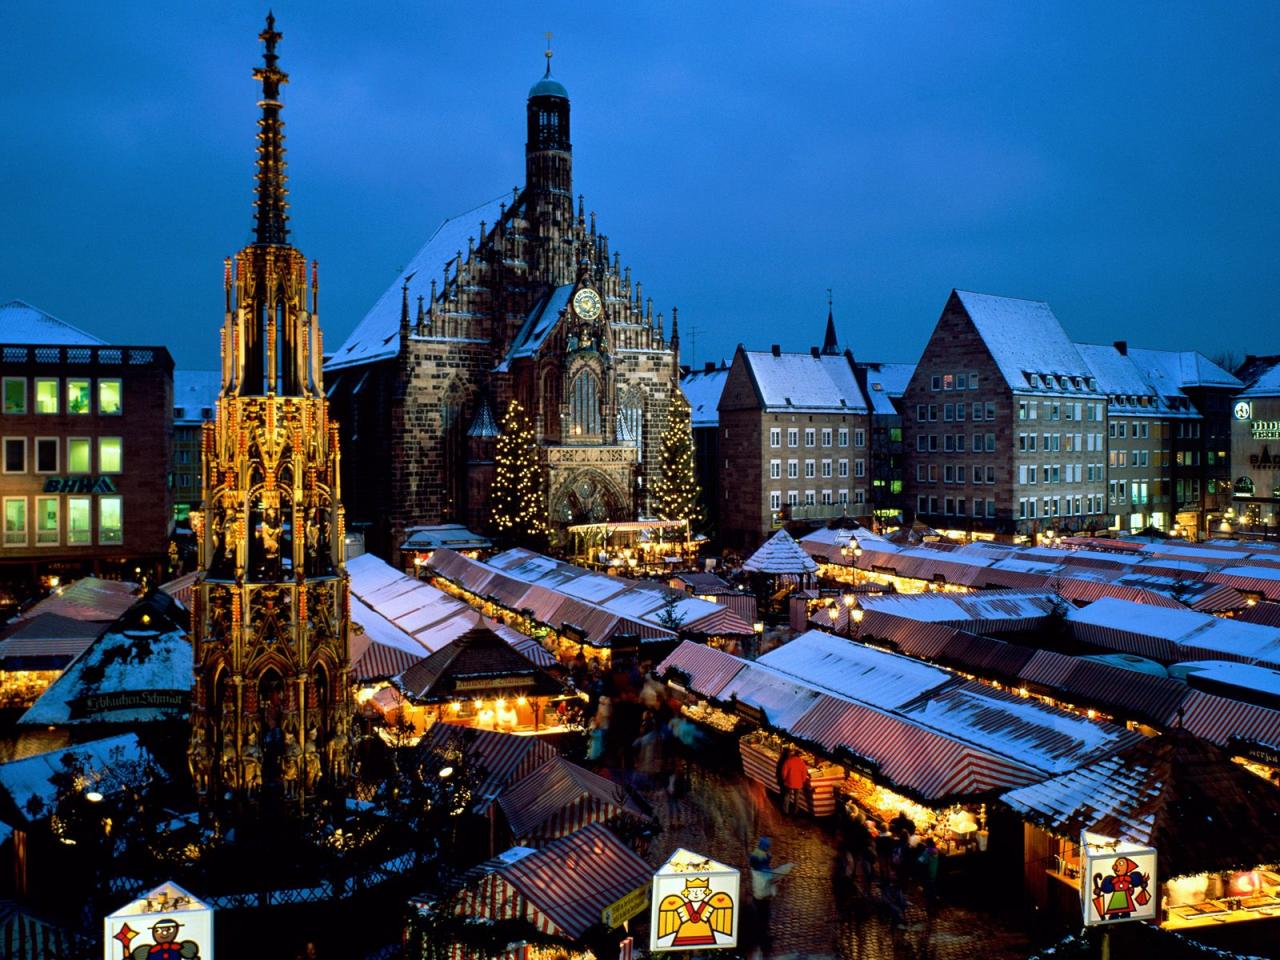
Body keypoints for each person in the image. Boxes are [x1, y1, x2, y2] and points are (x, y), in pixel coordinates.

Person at [780, 750, 809, 815]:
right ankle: (795, 811)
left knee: (787, 796)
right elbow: (804, 774)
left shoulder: (788, 761)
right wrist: (803, 781)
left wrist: (784, 779)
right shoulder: (802, 763)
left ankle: (785, 811)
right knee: (797, 797)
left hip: (789, 782)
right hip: (798, 783)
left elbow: (784, 772)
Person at [918, 837, 941, 911]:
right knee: (932, 885)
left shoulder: (927, 852)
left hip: (927, 872)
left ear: (927, 844)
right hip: (934, 871)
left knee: (928, 888)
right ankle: (934, 899)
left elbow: (921, 861)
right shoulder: (936, 851)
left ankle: (929, 905)